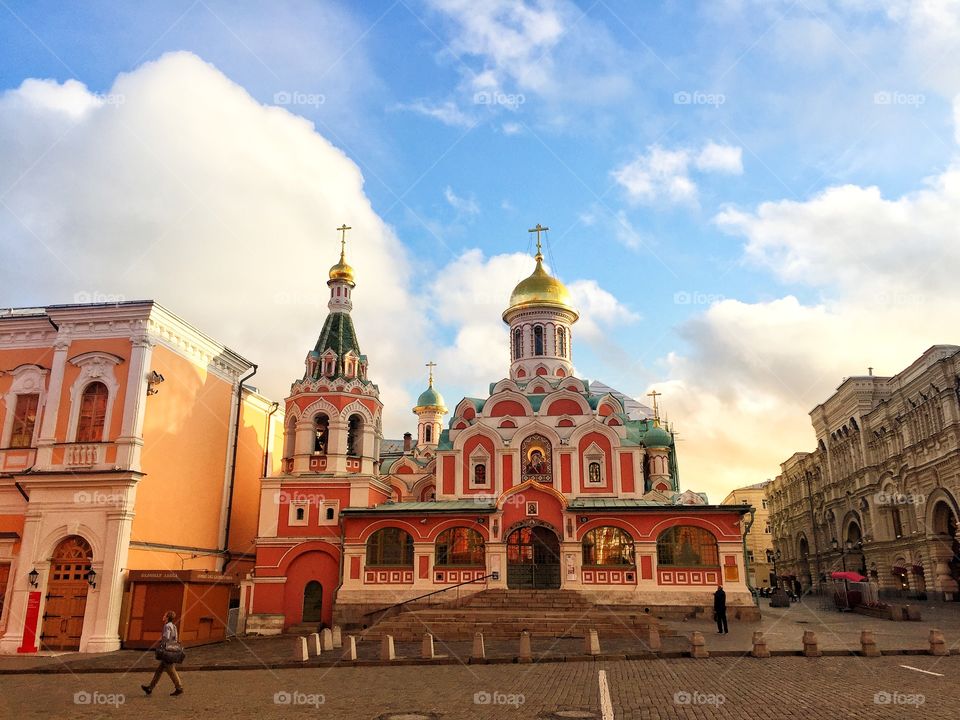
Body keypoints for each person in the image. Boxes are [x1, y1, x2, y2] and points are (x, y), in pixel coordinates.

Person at [142, 610, 184, 697]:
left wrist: (162, 643)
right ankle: (150, 688)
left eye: (165, 615)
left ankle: (179, 688)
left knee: (171, 670)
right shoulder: (174, 626)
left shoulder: (167, 626)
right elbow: (176, 638)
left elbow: (166, 637)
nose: (163, 616)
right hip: (172, 650)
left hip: (167, 651)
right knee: (159, 671)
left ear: (167, 617)